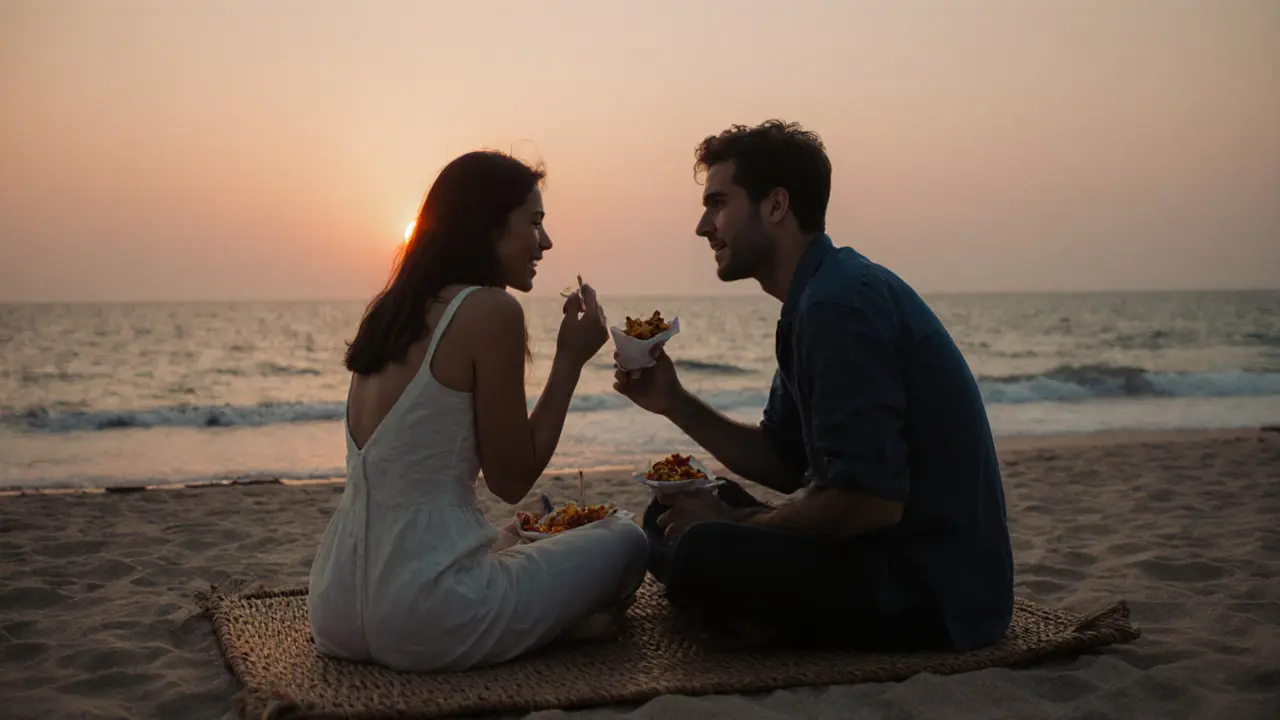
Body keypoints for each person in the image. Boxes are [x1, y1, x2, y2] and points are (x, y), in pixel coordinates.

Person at [614, 121, 1014, 652]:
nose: (703, 227)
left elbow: (871, 503)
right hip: (877, 552)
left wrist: (736, 521)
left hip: (929, 589)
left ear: (776, 205)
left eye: (717, 204)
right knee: (670, 513)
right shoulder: (813, 301)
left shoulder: (837, 307)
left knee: (702, 549)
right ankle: (756, 611)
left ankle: (764, 619)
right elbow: (784, 461)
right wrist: (675, 403)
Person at [308, 150, 648, 672]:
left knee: (515, 534)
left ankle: (542, 620)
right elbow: (512, 479)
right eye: (534, 222)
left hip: (333, 608)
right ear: (490, 227)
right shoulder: (491, 310)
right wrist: (569, 362)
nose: (547, 241)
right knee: (627, 539)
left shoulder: (389, 314)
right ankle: (554, 628)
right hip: (427, 618)